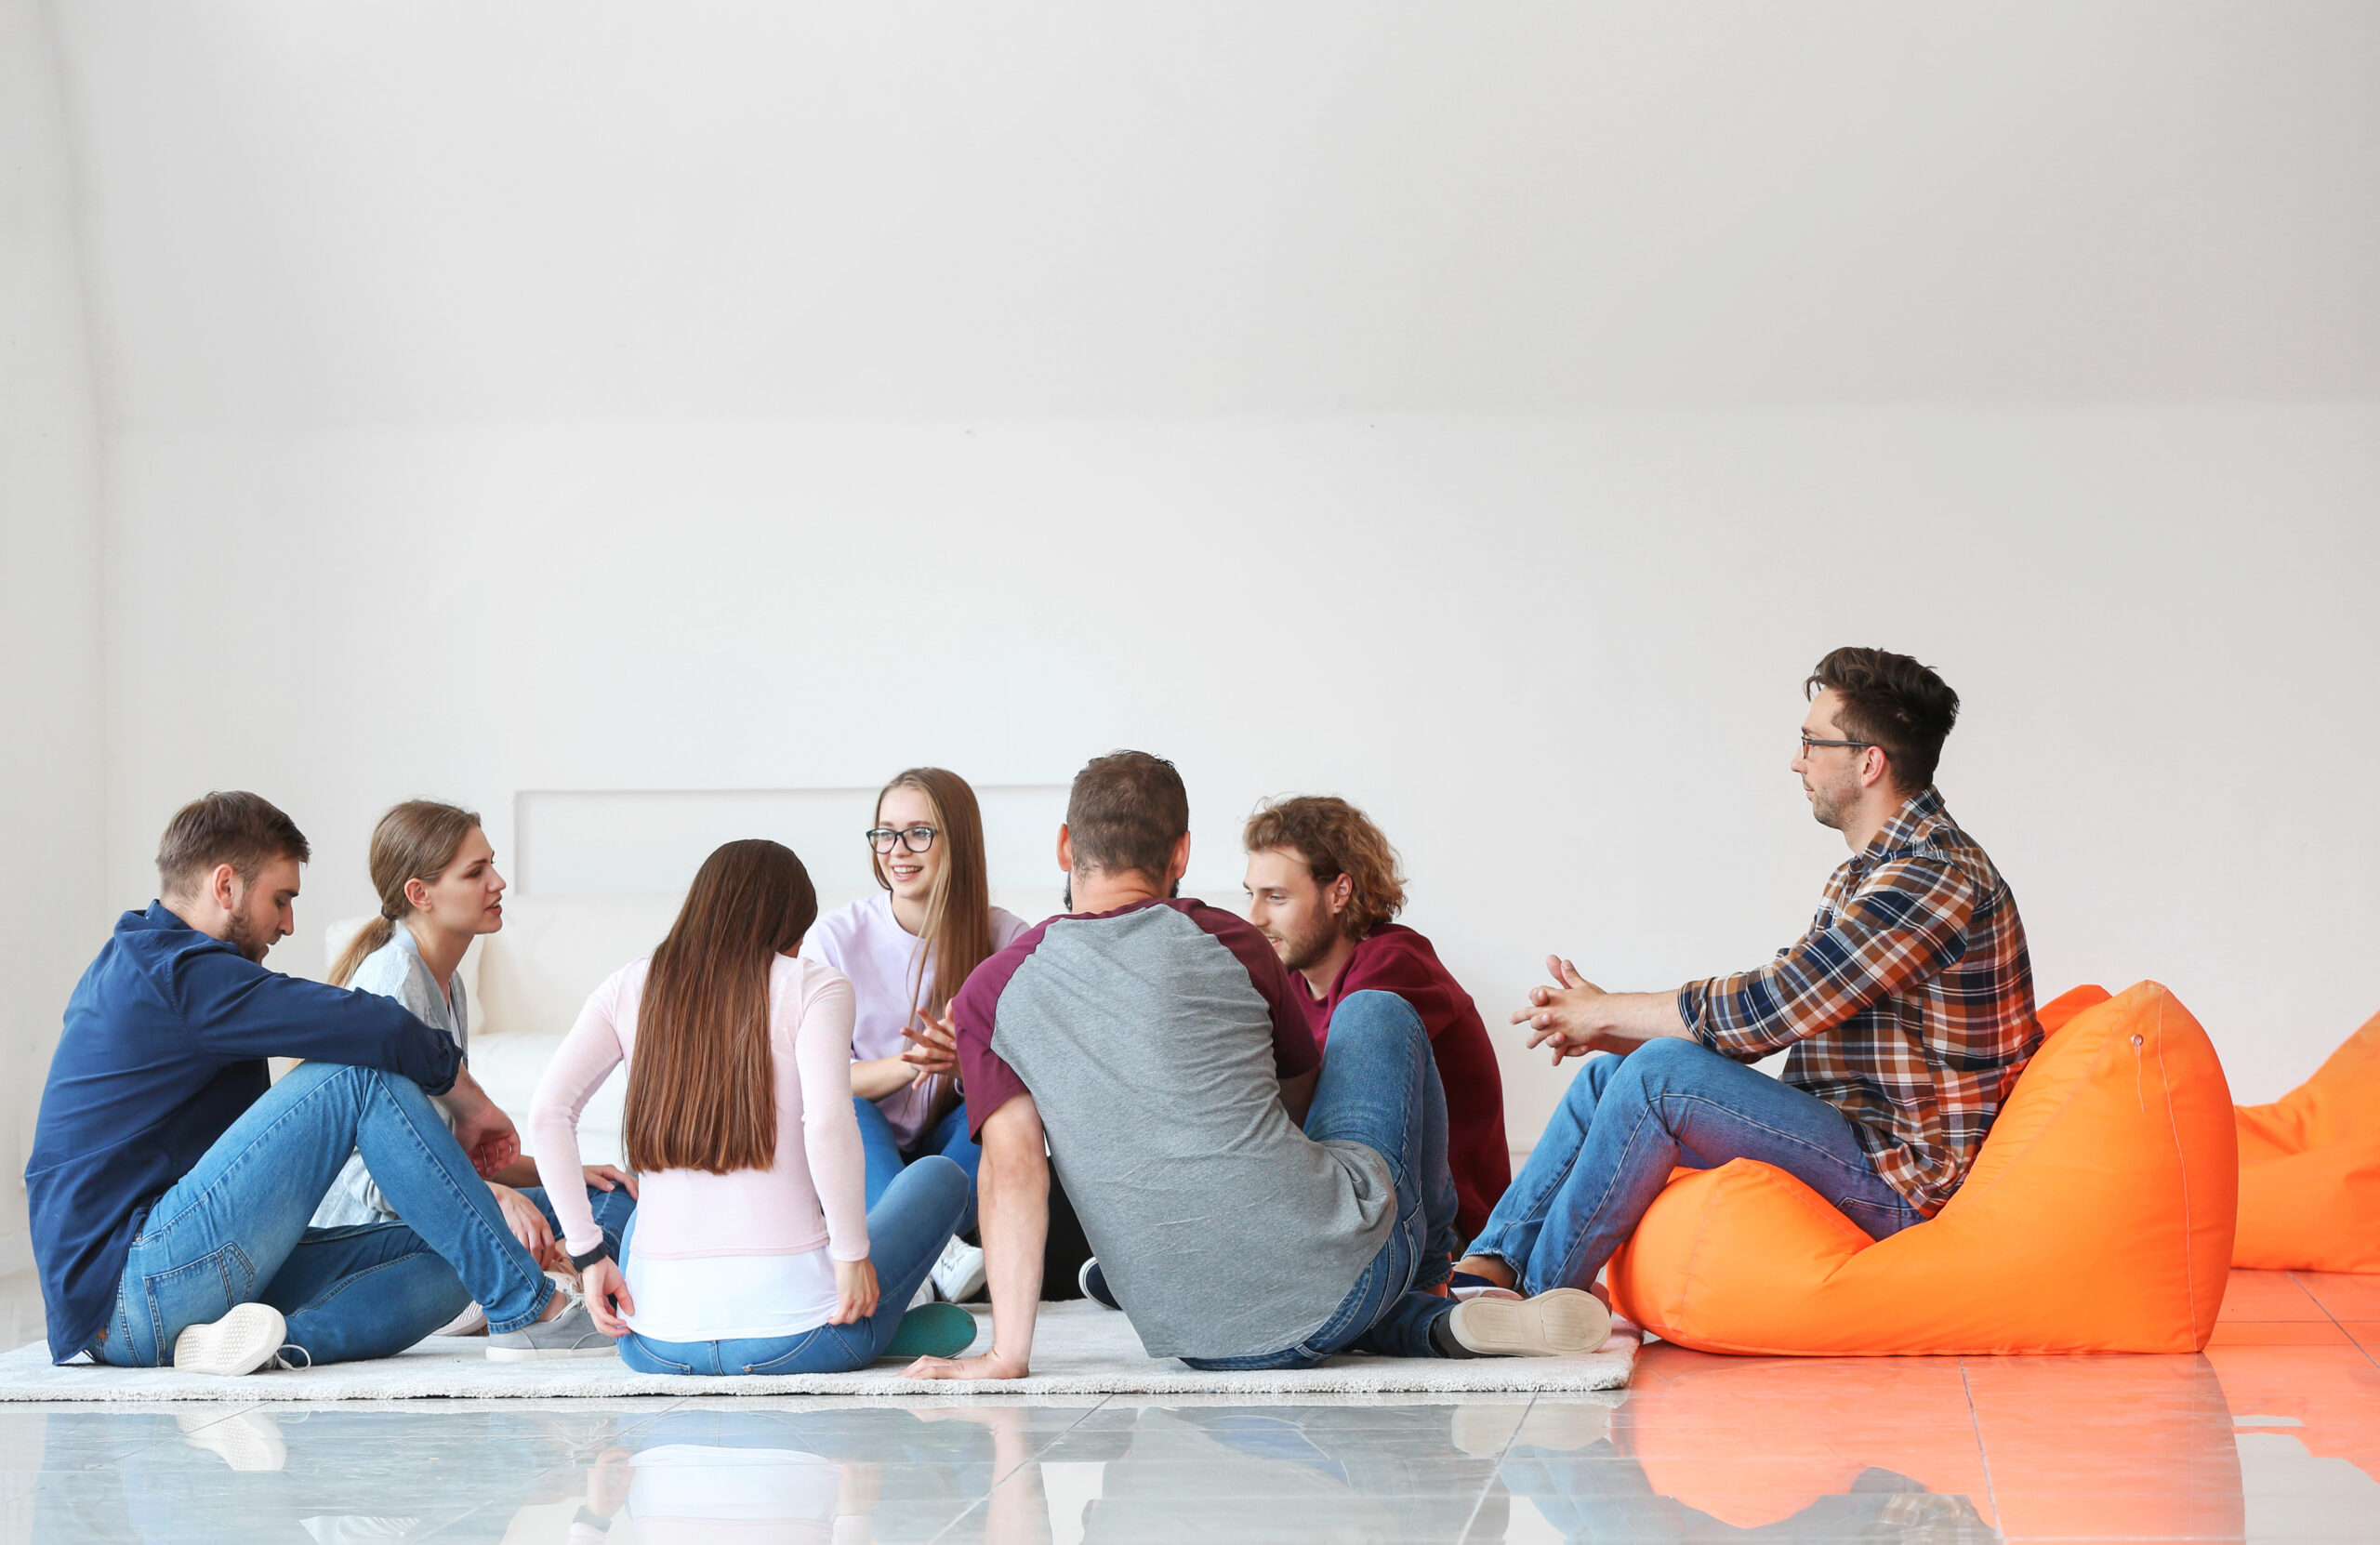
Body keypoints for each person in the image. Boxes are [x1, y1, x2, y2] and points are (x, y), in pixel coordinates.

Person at [905, 752, 1608, 1381]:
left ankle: (1419, 1318)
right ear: (1181, 853)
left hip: (1188, 1334)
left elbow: (1014, 1170)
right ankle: (1426, 1291)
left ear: (1066, 848)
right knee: (1375, 1014)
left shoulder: (988, 992)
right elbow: (1299, 1100)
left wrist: (1008, 1357)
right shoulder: (1230, 941)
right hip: (1340, 1284)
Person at [1455, 647, 2043, 1300]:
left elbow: (1776, 1006)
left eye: (1810, 742)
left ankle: (1542, 1303)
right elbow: (1768, 1022)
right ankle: (1491, 1267)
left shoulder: (1931, 876)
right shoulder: (1867, 874)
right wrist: (1612, 1031)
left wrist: (1609, 1011)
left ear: (1869, 762)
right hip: (1852, 1140)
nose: (1797, 761)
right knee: (1610, 1074)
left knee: (1655, 1076)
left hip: (1905, 1183)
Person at [24, 792, 612, 1374]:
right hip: (131, 1292)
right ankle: (531, 1310)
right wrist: (472, 1102)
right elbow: (369, 1024)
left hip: (174, 1280)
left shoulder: (161, 965)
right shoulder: (177, 975)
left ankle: (259, 1347)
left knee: (457, 1254)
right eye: (280, 899)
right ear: (225, 885)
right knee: (357, 1073)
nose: (288, 923)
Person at [531, 838, 978, 1376]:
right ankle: (878, 1321)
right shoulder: (816, 986)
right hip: (803, 1341)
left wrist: (587, 1254)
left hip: (652, 1346)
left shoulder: (627, 985)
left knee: (641, 1201)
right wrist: (852, 1256)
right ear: (791, 928)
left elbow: (548, 1114)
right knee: (940, 1176)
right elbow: (829, 1121)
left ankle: (876, 1318)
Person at [310, 800, 639, 1332]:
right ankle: (526, 1286)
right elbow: (375, 1178)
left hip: (444, 1216)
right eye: (476, 872)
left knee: (612, 1197)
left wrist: (565, 1176)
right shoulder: (392, 986)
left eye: (493, 864)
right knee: (567, 1224)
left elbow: (448, 1154)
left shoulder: (447, 982)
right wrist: (496, 1199)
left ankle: (540, 1278)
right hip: (374, 1232)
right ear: (421, 894)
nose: (499, 882)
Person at [800, 769, 1027, 1306]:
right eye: (886, 833)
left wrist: (962, 1065)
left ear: (959, 841)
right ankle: (938, 1252)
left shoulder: (1007, 940)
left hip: (948, 1148)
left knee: (1004, 1113)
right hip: (866, 1146)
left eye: (919, 832)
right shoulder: (834, 939)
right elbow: (812, 1082)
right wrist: (913, 1064)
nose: (897, 850)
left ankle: (916, 1256)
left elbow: (1034, 1073)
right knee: (845, 1106)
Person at [1243, 795, 1510, 1239]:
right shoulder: (1288, 983)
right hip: (1364, 1206)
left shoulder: (1397, 965)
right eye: (1251, 894)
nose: (1253, 917)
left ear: (1339, 893)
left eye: (1276, 897)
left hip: (1447, 1232)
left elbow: (1315, 1101)